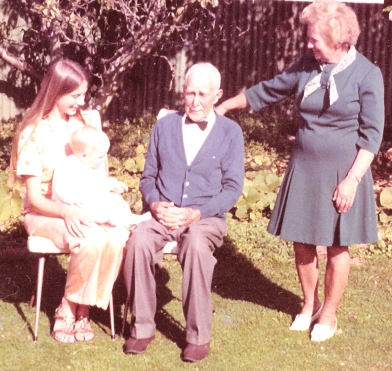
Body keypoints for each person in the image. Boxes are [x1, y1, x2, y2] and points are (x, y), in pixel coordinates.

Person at [216, 0, 384, 342]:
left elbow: (372, 136)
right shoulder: (308, 65)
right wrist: (226, 106)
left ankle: (331, 314)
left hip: (344, 172)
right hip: (305, 168)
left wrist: (352, 181)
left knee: (338, 246)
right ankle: (310, 305)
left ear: (338, 40)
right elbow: (269, 89)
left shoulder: (367, 74)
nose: (308, 45)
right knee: (303, 243)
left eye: (314, 39)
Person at [123, 62, 245, 362]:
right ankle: (142, 327)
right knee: (138, 241)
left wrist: (196, 214)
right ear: (182, 93)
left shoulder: (230, 132)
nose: (196, 101)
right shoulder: (164, 126)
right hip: (162, 214)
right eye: (190, 93)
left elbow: (232, 189)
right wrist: (154, 204)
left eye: (203, 94)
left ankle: (197, 335)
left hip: (205, 219)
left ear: (217, 96)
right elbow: (148, 178)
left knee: (195, 246)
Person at [10, 59, 129, 343]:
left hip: (83, 206)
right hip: (46, 212)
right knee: (86, 239)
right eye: (75, 95)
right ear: (56, 92)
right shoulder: (33, 133)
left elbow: (96, 175)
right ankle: (68, 306)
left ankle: (82, 307)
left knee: (115, 238)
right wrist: (66, 212)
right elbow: (35, 198)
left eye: (83, 94)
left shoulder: (85, 126)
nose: (81, 101)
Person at [52, 125, 151, 253]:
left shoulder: (91, 165)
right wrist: (73, 198)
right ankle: (115, 219)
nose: (104, 159)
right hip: (71, 204)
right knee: (95, 209)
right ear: (84, 155)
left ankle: (128, 218)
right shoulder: (67, 166)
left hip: (89, 201)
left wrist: (113, 185)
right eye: (100, 157)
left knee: (109, 201)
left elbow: (100, 182)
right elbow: (60, 187)